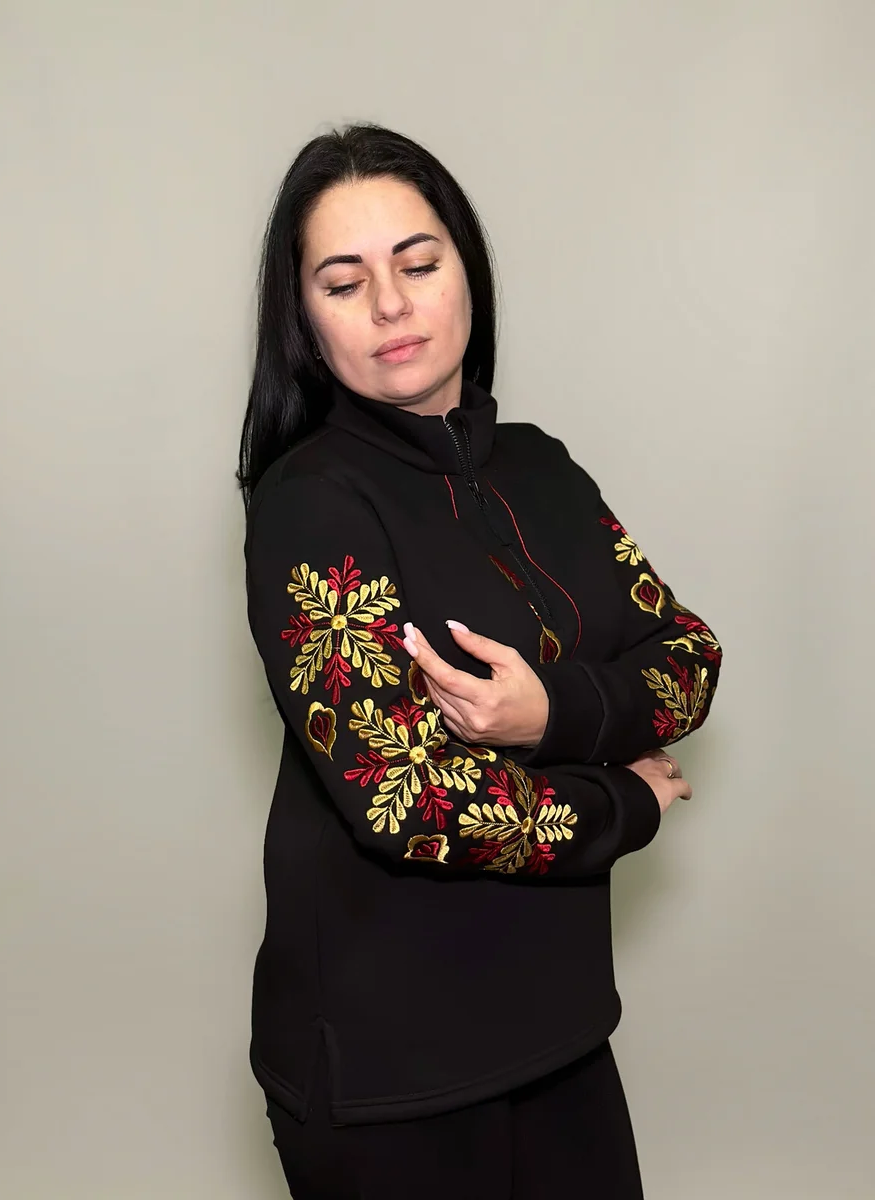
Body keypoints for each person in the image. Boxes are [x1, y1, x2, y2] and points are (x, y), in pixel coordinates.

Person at [238, 122, 722, 1199]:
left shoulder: (543, 468)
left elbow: (689, 659)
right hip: (385, 1071)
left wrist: (549, 714)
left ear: (468, 272)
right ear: (305, 320)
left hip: (560, 1030)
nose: (391, 305)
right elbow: (404, 798)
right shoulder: (312, 505)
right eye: (344, 282)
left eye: (418, 264)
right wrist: (624, 805)